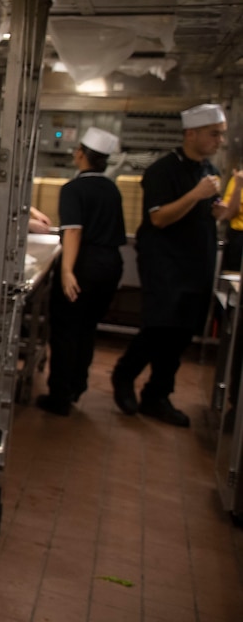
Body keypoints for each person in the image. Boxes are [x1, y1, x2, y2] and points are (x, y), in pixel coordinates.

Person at [112, 103, 243, 427]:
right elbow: (158, 218)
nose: (219, 141)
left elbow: (221, 214)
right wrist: (196, 195)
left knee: (182, 334)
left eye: (221, 135)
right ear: (191, 133)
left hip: (196, 267)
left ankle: (157, 395)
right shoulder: (163, 170)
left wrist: (233, 190)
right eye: (214, 134)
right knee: (159, 328)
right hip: (165, 264)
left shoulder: (207, 170)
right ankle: (124, 375)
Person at [35, 128, 125, 416]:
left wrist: (67, 272)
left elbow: (73, 231)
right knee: (87, 329)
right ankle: (77, 386)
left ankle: (59, 396)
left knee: (65, 330)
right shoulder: (111, 188)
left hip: (83, 264)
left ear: (81, 155)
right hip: (110, 265)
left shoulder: (73, 189)